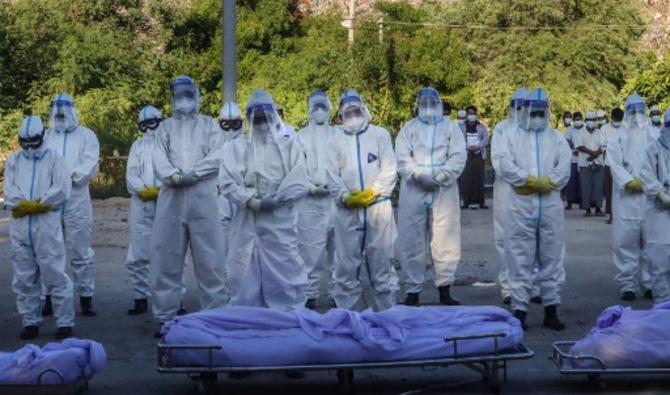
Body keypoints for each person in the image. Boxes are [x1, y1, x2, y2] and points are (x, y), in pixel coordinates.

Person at [151, 75, 228, 336]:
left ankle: (214, 316)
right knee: (167, 258)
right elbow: (157, 158)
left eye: (188, 94)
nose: (184, 99)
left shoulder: (210, 126)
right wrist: (172, 175)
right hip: (171, 199)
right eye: (179, 95)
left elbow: (218, 155)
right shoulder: (164, 128)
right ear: (172, 98)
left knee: (211, 259)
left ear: (197, 96)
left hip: (203, 196)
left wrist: (193, 173)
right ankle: (166, 318)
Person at [221, 89, 308, 309]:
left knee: (284, 269)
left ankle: (287, 318)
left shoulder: (289, 145)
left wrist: (278, 200)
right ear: (248, 118)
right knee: (242, 270)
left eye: (265, 118)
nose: (261, 123)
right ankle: (247, 320)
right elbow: (228, 182)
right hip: (246, 219)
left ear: (274, 115)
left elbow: (299, 181)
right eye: (256, 119)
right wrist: (252, 201)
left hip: (280, 220)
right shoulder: (236, 147)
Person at [499, 88, 571, 330]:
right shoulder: (511, 136)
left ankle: (551, 310)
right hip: (521, 204)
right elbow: (504, 165)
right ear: (524, 111)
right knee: (520, 257)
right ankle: (520, 311)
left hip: (550, 205)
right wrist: (529, 180)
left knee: (552, 258)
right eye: (534, 112)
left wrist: (549, 181)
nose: (537, 116)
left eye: (542, 112)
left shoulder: (556, 138)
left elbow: (564, 167)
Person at [327, 89, 399, 311]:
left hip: (378, 210)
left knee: (382, 264)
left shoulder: (380, 135)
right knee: (346, 265)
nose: (352, 116)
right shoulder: (334, 140)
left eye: (356, 111)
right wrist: (345, 197)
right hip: (347, 211)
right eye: (347, 113)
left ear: (364, 110)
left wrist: (373, 192)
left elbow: (389, 169)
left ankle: (386, 316)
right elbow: (331, 174)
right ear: (340, 116)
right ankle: (347, 318)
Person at [4, 116, 74, 340]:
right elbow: (10, 187)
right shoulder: (14, 160)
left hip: (46, 223)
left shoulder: (54, 158)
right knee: (24, 277)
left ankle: (64, 323)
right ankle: (30, 321)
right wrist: (19, 202)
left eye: (33, 141)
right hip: (21, 225)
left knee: (54, 274)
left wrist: (42, 202)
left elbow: (62, 187)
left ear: (42, 137)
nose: (29, 147)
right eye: (25, 142)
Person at [396, 87, 466, 306]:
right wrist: (417, 174)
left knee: (445, 237)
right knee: (411, 239)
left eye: (431, 103)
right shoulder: (409, 128)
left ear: (439, 104)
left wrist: (442, 175)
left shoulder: (450, 128)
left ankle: (445, 288)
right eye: (423, 103)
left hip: (443, 189)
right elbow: (402, 156)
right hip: (414, 188)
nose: (427, 108)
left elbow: (458, 155)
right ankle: (413, 290)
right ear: (418, 104)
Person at [42, 93, 100, 317]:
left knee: (80, 249)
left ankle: (86, 298)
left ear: (73, 111)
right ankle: (49, 297)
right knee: (49, 249)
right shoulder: (46, 136)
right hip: (51, 198)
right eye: (56, 112)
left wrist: (67, 178)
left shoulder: (86, 136)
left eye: (64, 111)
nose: (60, 116)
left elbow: (90, 164)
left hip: (77, 197)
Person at [607, 92, 653, 301]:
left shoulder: (655, 135)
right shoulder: (618, 137)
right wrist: (628, 181)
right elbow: (614, 164)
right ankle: (627, 284)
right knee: (625, 242)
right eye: (632, 111)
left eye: (640, 111)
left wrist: (651, 182)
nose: (636, 116)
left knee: (651, 242)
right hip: (627, 198)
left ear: (646, 112)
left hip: (650, 198)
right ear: (626, 113)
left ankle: (649, 282)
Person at [296, 91, 337, 309]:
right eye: (316, 107)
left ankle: (337, 293)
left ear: (329, 109)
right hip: (310, 202)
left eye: (323, 106)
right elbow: (296, 166)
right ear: (309, 110)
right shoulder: (300, 137)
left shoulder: (338, 135)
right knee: (309, 250)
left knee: (338, 250)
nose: (320, 111)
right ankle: (309, 294)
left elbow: (345, 164)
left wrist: (336, 185)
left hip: (336, 199)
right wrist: (310, 187)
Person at [124, 106, 163, 316]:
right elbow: (131, 174)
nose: (148, 129)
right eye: (143, 125)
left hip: (168, 203)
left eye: (152, 123)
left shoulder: (170, 144)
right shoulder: (137, 146)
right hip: (142, 204)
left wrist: (165, 191)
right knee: (139, 251)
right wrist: (144, 190)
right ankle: (141, 297)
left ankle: (177, 298)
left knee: (171, 252)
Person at [492, 88, 528, 304]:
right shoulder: (501, 129)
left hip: (531, 191)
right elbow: (498, 161)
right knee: (505, 237)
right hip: (506, 189)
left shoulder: (536, 131)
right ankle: (508, 287)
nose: (521, 111)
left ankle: (529, 285)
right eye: (518, 106)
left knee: (529, 238)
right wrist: (521, 178)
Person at [641, 109, 670, 304]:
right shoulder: (653, 149)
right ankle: (663, 306)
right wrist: (661, 193)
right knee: (659, 257)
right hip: (660, 208)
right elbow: (646, 174)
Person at [217, 102, 247, 266]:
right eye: (225, 124)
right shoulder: (214, 144)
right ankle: (222, 284)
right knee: (221, 245)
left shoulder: (247, 144)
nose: (230, 129)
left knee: (242, 247)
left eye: (234, 124)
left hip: (243, 198)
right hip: (221, 200)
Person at [575, 112, 605, 216]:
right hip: (584, 162)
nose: (591, 122)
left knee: (599, 186)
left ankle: (598, 208)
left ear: (595, 121)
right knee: (586, 187)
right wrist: (592, 153)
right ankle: (587, 209)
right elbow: (578, 146)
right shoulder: (580, 133)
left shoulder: (600, 132)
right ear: (585, 121)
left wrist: (597, 153)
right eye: (589, 120)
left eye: (593, 120)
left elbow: (604, 145)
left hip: (599, 162)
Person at [459, 105, 489, 209]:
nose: (471, 115)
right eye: (469, 113)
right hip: (466, 155)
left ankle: (481, 202)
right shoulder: (461, 127)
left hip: (479, 155)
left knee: (480, 178)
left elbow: (486, 139)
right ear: (466, 115)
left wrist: (478, 146)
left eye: (473, 113)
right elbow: (459, 140)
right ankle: (466, 202)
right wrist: (468, 147)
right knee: (466, 178)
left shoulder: (482, 126)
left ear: (476, 114)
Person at [600, 108, 624, 224]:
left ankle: (621, 216)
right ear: (612, 118)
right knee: (610, 191)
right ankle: (611, 215)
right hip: (609, 164)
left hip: (623, 165)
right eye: (616, 119)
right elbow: (602, 145)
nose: (617, 121)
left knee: (622, 190)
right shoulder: (604, 129)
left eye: (620, 119)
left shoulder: (625, 129)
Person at [563, 111, 583, 210]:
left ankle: (581, 202)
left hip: (583, 159)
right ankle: (569, 202)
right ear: (573, 120)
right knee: (571, 181)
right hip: (572, 159)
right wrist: (575, 149)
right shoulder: (570, 129)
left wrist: (580, 151)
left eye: (579, 119)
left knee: (581, 182)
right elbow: (568, 140)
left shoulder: (585, 129)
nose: (578, 121)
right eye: (576, 119)